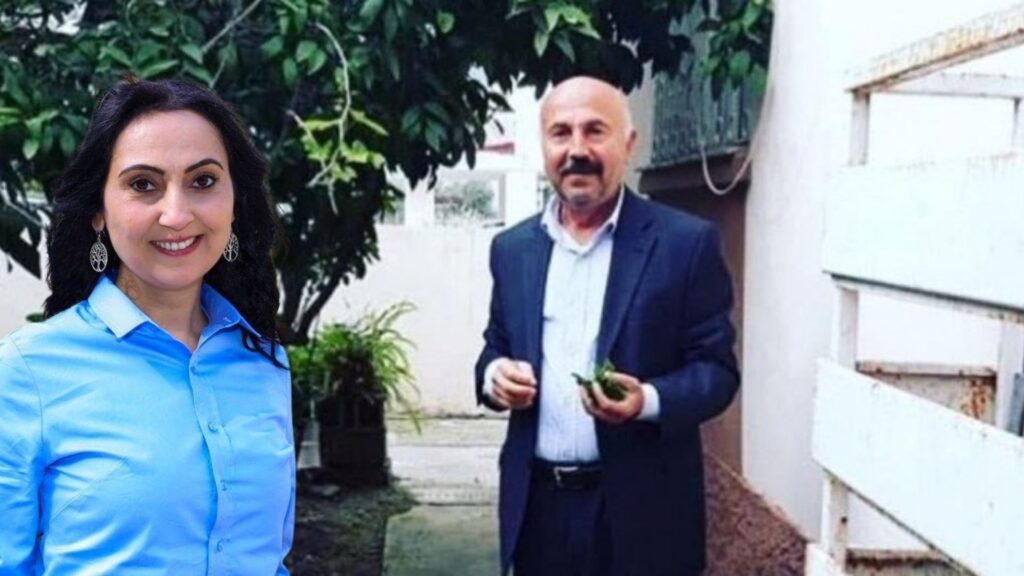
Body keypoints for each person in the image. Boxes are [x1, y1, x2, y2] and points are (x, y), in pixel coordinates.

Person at [0, 78, 294, 574]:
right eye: (143, 185)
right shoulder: (26, 372)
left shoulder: (262, 360)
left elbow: (270, 557)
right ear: (98, 210)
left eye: (203, 181)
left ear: (235, 200)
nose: (176, 214)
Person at [476, 76, 739, 575]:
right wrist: (495, 377)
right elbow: (495, 346)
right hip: (538, 513)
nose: (577, 150)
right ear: (544, 145)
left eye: (595, 130)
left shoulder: (685, 245)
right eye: (561, 133)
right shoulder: (513, 250)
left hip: (644, 516)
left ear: (628, 143)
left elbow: (717, 372)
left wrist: (647, 400)